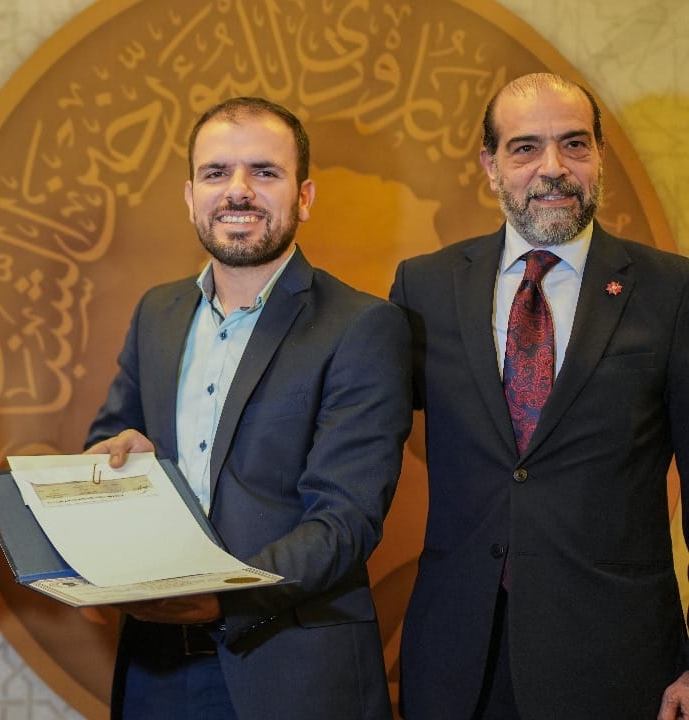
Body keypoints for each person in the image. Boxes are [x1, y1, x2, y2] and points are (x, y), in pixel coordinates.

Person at [85, 96, 412, 720]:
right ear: (190, 197)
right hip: (157, 667)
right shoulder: (157, 313)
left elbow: (346, 519)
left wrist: (222, 600)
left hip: (294, 671)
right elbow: (109, 440)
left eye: (264, 171)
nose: (238, 190)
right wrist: (116, 464)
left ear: (304, 197)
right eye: (216, 172)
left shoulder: (363, 326)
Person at [390, 72, 689, 719]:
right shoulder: (424, 287)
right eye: (525, 148)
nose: (553, 167)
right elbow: (360, 436)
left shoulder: (673, 291)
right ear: (490, 166)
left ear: (599, 156)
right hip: (457, 659)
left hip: (619, 661)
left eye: (574, 144)